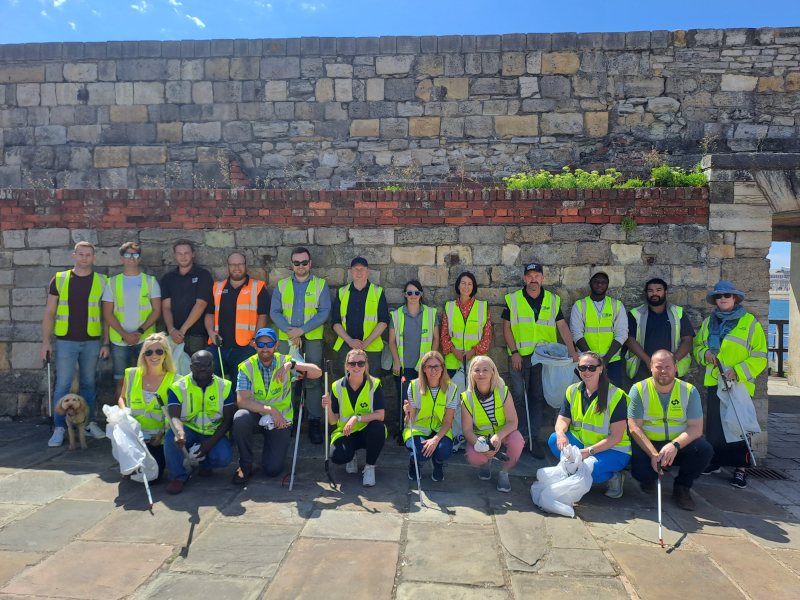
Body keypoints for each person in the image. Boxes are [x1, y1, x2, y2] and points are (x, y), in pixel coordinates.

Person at [694, 281, 767, 490]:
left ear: (735, 298)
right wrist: (705, 354)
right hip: (715, 380)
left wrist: (738, 370)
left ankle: (740, 469)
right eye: (719, 296)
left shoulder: (750, 322)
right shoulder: (709, 322)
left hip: (738, 383)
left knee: (737, 425)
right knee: (715, 426)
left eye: (727, 295)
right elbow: (698, 347)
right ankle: (715, 462)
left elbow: (760, 355)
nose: (723, 298)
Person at [502, 263, 578, 458]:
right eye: (530, 276)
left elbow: (562, 326)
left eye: (537, 276)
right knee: (518, 394)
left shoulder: (553, 300)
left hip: (544, 359)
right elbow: (507, 328)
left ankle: (532, 439)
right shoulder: (513, 299)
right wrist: (514, 352)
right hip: (521, 356)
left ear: (543, 278)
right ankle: (519, 437)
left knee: (537, 398)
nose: (533, 279)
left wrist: (572, 351)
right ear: (524, 278)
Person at [41, 241, 110, 447]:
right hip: (65, 341)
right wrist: (45, 341)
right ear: (74, 256)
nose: (84, 258)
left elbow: (107, 315)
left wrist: (106, 342)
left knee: (89, 383)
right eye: (81, 254)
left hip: (91, 341)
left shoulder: (102, 280)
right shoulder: (60, 279)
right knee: (63, 384)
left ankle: (87, 423)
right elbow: (50, 312)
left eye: (88, 255)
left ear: (94, 258)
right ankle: (60, 427)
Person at [231, 328, 322, 483]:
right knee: (240, 418)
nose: (265, 348)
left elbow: (317, 372)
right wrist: (271, 410)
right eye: (261, 344)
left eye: (269, 344)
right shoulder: (246, 367)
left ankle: (270, 449)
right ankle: (245, 464)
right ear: (255, 345)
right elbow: (242, 401)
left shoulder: (285, 361)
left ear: (276, 345)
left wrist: (292, 366)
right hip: (257, 416)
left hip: (280, 421)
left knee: (272, 470)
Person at [628, 349, 714, 510]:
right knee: (641, 473)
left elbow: (696, 428)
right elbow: (634, 427)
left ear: (676, 367)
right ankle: (649, 478)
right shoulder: (639, 389)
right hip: (649, 443)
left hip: (678, 445)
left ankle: (682, 487)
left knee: (704, 449)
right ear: (651, 367)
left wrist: (674, 445)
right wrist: (653, 454)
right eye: (659, 367)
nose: (663, 371)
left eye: (668, 367)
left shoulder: (689, 391)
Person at [270, 246, 331, 445]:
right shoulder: (282, 285)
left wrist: (301, 331)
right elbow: (275, 312)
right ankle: (288, 421)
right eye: (297, 263)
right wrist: (291, 331)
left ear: (310, 263)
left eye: (304, 262)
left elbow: (324, 312)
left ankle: (314, 422)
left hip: (311, 339)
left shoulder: (321, 285)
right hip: (287, 340)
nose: (301, 266)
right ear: (292, 264)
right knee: (286, 379)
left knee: (313, 380)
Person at [549, 352, 631, 499]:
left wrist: (588, 452)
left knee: (589, 471)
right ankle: (577, 470)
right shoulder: (572, 390)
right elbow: (562, 419)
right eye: (583, 368)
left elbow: (617, 436)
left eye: (592, 368)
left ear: (601, 369)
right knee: (554, 439)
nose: (587, 371)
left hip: (614, 450)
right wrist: (561, 433)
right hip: (584, 443)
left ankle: (614, 477)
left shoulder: (616, 395)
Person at [163, 349, 235, 494]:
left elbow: (228, 419)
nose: (203, 368)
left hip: (212, 431)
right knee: (171, 436)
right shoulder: (178, 387)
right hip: (188, 429)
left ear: (213, 365)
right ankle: (178, 476)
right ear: (191, 367)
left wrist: (209, 443)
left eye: (207, 364)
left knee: (224, 458)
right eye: (197, 365)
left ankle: (205, 464)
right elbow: (174, 416)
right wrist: (180, 433)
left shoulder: (224, 386)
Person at [103, 241, 162, 397]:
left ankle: (146, 416)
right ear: (122, 258)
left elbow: (157, 310)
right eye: (127, 255)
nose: (131, 258)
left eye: (135, 255)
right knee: (121, 381)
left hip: (146, 340)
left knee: (148, 379)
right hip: (119, 341)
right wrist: (125, 334)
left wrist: (139, 332)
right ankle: (124, 418)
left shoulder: (150, 281)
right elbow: (107, 313)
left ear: (139, 258)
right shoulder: (112, 282)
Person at [321, 348, 387, 487]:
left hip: (366, 432)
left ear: (366, 366)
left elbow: (380, 415)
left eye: (361, 363)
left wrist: (356, 418)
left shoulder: (374, 384)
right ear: (346, 366)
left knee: (378, 427)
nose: (356, 367)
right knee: (337, 456)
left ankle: (369, 467)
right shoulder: (336, 386)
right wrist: (327, 407)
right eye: (352, 363)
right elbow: (333, 420)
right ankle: (351, 456)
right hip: (345, 433)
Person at [117, 333, 176, 482]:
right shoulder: (131, 374)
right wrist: (124, 412)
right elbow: (122, 398)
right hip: (135, 435)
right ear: (143, 355)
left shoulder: (175, 379)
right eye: (149, 352)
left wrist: (161, 434)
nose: (153, 356)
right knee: (114, 426)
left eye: (159, 351)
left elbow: (176, 413)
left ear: (166, 354)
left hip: (157, 437)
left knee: (153, 478)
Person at [461, 356, 525, 492]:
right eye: (477, 370)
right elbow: (467, 430)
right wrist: (481, 446)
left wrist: (499, 436)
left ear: (493, 373)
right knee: (473, 456)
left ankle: (504, 472)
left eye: (485, 370)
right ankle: (484, 463)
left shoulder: (503, 391)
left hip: (503, 433)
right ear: (471, 374)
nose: (481, 374)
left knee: (517, 440)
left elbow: (513, 422)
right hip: (482, 437)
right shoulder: (466, 398)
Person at [204, 252, 268, 378]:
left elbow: (263, 316)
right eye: (233, 264)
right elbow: (209, 314)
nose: (237, 267)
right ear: (227, 267)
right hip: (218, 347)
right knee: (207, 380)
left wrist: (255, 339)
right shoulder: (217, 287)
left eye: (240, 264)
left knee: (240, 389)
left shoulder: (258, 287)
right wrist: (211, 333)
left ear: (246, 266)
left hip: (245, 348)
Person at [389, 280, 440, 439]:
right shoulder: (396, 315)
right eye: (409, 293)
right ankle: (405, 432)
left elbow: (436, 338)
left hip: (424, 367)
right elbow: (391, 341)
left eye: (416, 292)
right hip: (404, 366)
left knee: (425, 399)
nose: (413, 296)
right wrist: (396, 362)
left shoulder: (431, 313)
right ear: (405, 295)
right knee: (405, 401)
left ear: (421, 294)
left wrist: (431, 362)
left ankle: (423, 432)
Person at [625, 278, 694, 385]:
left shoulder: (678, 312)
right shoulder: (636, 314)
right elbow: (630, 340)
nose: (654, 294)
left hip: (671, 370)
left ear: (665, 292)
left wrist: (673, 361)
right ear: (646, 293)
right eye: (650, 291)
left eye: (658, 290)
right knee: (645, 400)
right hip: (643, 367)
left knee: (673, 400)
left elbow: (687, 340)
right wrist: (649, 362)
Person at [331, 257, 390, 378]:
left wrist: (366, 343)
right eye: (355, 269)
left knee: (372, 386)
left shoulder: (378, 292)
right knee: (345, 385)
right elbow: (335, 322)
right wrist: (350, 341)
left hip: (371, 348)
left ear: (368, 271)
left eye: (362, 269)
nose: (359, 272)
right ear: (351, 272)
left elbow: (383, 321)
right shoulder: (342, 292)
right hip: (346, 346)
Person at [403, 351, 457, 482]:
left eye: (437, 366)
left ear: (443, 368)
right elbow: (409, 421)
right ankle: (414, 462)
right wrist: (407, 413)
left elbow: (448, 421)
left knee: (444, 451)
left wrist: (436, 439)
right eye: (429, 366)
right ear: (423, 369)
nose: (433, 370)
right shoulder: (414, 386)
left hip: (439, 428)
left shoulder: (452, 388)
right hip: (418, 428)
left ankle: (438, 462)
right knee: (421, 454)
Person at [570, 269, 628, 387]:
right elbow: (576, 334)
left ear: (607, 284)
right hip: (586, 362)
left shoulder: (616, 305)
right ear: (590, 283)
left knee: (614, 396)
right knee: (587, 395)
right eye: (596, 281)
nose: (600, 285)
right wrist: (592, 359)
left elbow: (622, 333)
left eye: (603, 282)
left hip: (611, 361)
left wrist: (605, 359)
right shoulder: (580, 305)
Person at [160, 239, 214, 358]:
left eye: (186, 253)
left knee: (196, 373)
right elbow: (166, 307)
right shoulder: (167, 279)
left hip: (196, 336)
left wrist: (182, 330)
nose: (183, 257)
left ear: (193, 254)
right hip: (172, 337)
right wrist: (172, 330)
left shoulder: (203, 275)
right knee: (173, 374)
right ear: (175, 255)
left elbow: (201, 305)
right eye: (179, 253)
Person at [441, 272, 492, 377]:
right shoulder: (449, 307)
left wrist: (472, 352)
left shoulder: (482, 307)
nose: (466, 287)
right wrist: (454, 351)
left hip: (477, 363)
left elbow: (487, 337)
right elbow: (444, 336)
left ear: (473, 287)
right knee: (453, 393)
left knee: (474, 393)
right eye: (463, 283)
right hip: (453, 362)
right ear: (458, 285)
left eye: (470, 284)